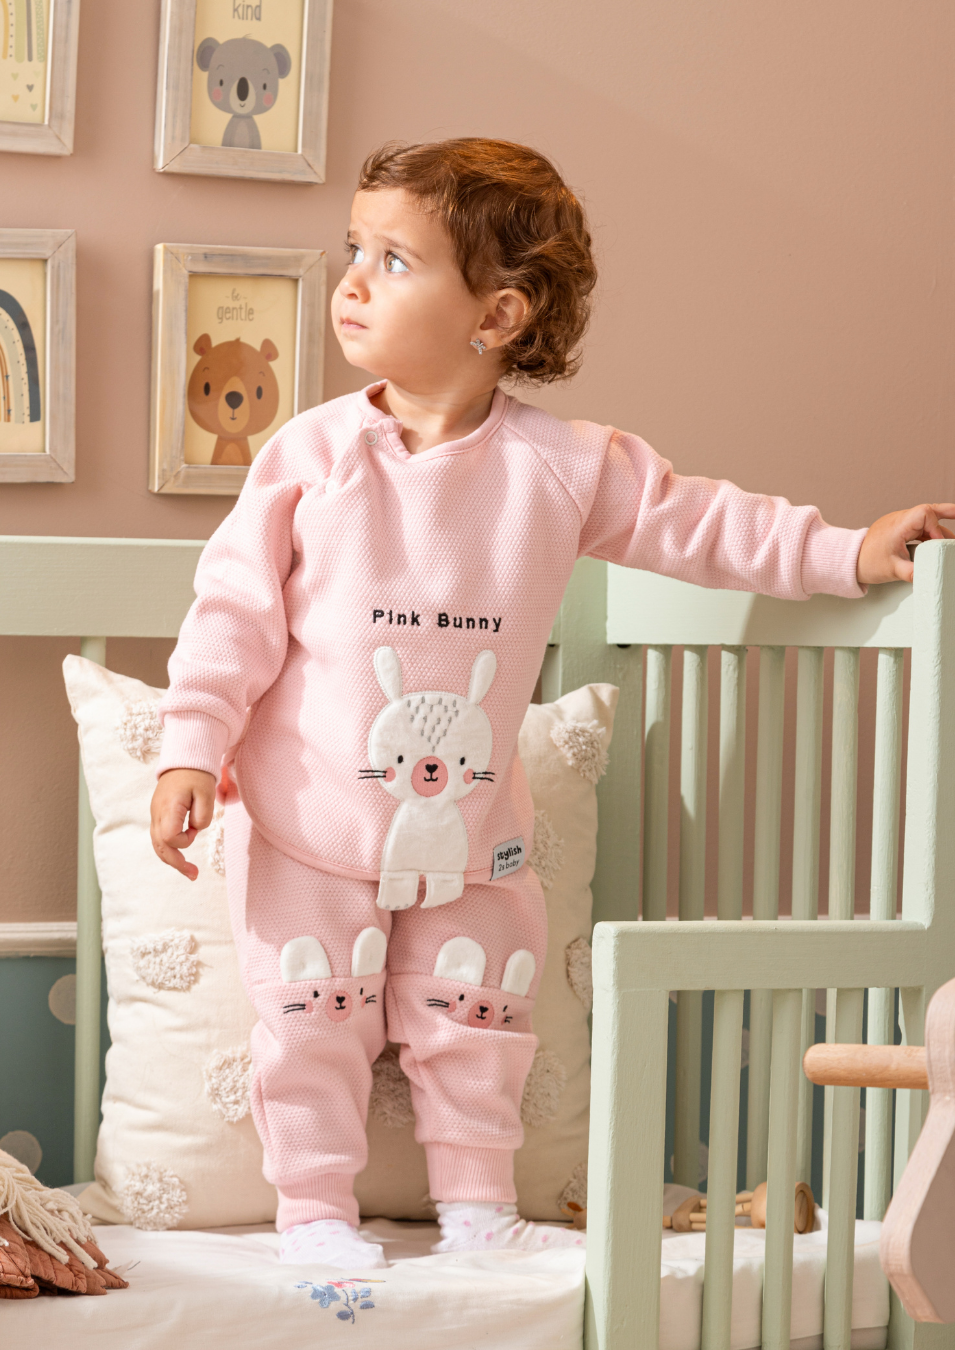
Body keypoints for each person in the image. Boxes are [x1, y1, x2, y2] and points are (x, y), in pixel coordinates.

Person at [150, 138, 954, 1269]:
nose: (353, 280)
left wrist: (846, 551)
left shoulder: (561, 467)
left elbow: (701, 523)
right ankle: (316, 1211)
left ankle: (479, 1210)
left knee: (478, 1022)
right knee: (309, 1026)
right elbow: (232, 614)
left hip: (476, 836)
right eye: (354, 249)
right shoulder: (310, 455)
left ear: (498, 314)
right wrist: (192, 746)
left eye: (393, 259)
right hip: (309, 824)